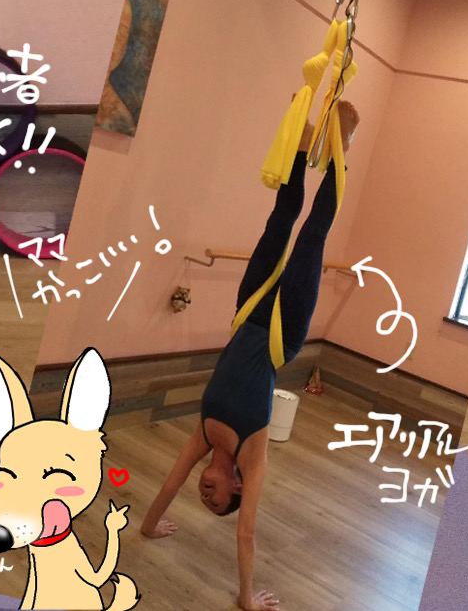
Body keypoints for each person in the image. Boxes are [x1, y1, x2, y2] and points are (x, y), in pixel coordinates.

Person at [138, 103, 360, 611]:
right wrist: (245, 599)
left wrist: (149, 526)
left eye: (203, 497)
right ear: (236, 487)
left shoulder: (202, 435)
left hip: (248, 311)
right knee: (311, 237)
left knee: (278, 221)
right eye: (216, 499)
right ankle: (342, 146)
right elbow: (247, 533)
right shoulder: (253, 458)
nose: (204, 493)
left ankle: (303, 148)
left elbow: (169, 483)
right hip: (284, 332)